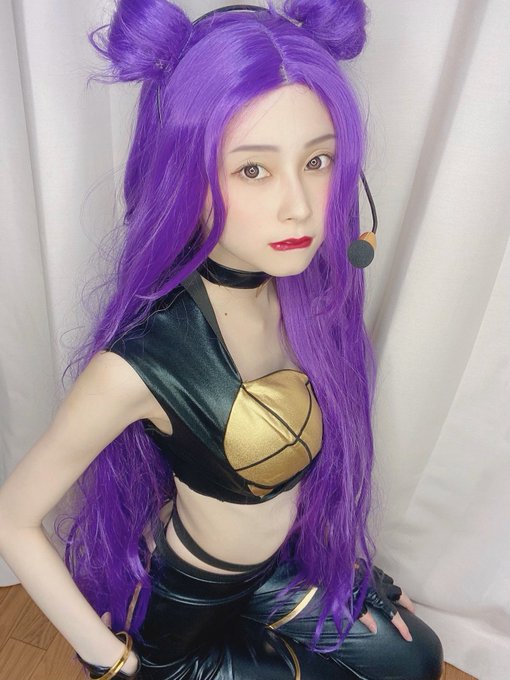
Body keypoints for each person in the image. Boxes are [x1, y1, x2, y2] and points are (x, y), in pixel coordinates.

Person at [0, 1, 444, 678]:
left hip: (278, 567)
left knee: (416, 660)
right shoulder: (140, 364)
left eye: (318, 160)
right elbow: (11, 519)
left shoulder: (310, 304)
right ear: (185, 176)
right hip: (189, 607)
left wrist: (347, 568)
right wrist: (116, 664)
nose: (299, 205)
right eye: (253, 170)